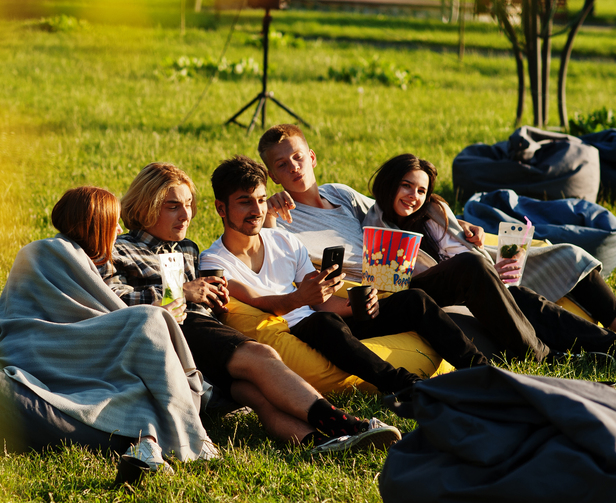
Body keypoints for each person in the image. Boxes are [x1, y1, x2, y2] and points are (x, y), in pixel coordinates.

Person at [100, 163, 402, 453]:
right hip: (172, 334)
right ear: (145, 206)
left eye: (189, 204)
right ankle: (344, 424)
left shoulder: (188, 249)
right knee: (261, 354)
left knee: (253, 393)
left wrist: (215, 299)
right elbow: (112, 300)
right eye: (173, 206)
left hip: (205, 341)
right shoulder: (120, 249)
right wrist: (181, 293)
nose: (186, 215)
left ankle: (318, 443)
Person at [256, 123, 551, 361]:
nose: (294, 167)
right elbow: (275, 261)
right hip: (366, 298)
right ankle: (530, 356)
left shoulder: (340, 194)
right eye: (282, 164)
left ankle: (535, 352)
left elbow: (393, 209)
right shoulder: (279, 217)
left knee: (477, 268)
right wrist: (269, 213)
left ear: (312, 157)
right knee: (459, 275)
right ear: (272, 176)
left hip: (396, 276)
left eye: (297, 157)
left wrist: (458, 223)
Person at [199, 156, 488, 395]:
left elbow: (323, 301)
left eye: (261, 200)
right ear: (221, 208)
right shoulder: (213, 260)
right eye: (245, 202)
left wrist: (359, 305)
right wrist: (301, 298)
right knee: (323, 322)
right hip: (297, 331)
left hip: (324, 320)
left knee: (414, 300)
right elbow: (258, 301)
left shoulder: (284, 241)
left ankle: (480, 370)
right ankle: (403, 386)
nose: (257, 210)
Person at [0, 186, 216, 473]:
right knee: (148, 322)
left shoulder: (79, 256)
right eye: (113, 224)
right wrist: (153, 314)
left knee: (134, 380)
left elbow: (98, 310)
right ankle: (191, 438)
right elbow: (84, 312)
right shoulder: (49, 250)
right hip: (42, 347)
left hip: (74, 340)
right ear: (94, 226)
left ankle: (147, 446)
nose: (119, 229)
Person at [365, 154, 616, 357]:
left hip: (483, 268)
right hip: (445, 289)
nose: (414, 196)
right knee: (497, 282)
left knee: (566, 259)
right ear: (389, 183)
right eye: (406, 185)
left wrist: (467, 231)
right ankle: (579, 349)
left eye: (421, 190)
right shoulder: (377, 227)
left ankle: (610, 342)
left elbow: (459, 242)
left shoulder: (433, 211)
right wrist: (482, 272)